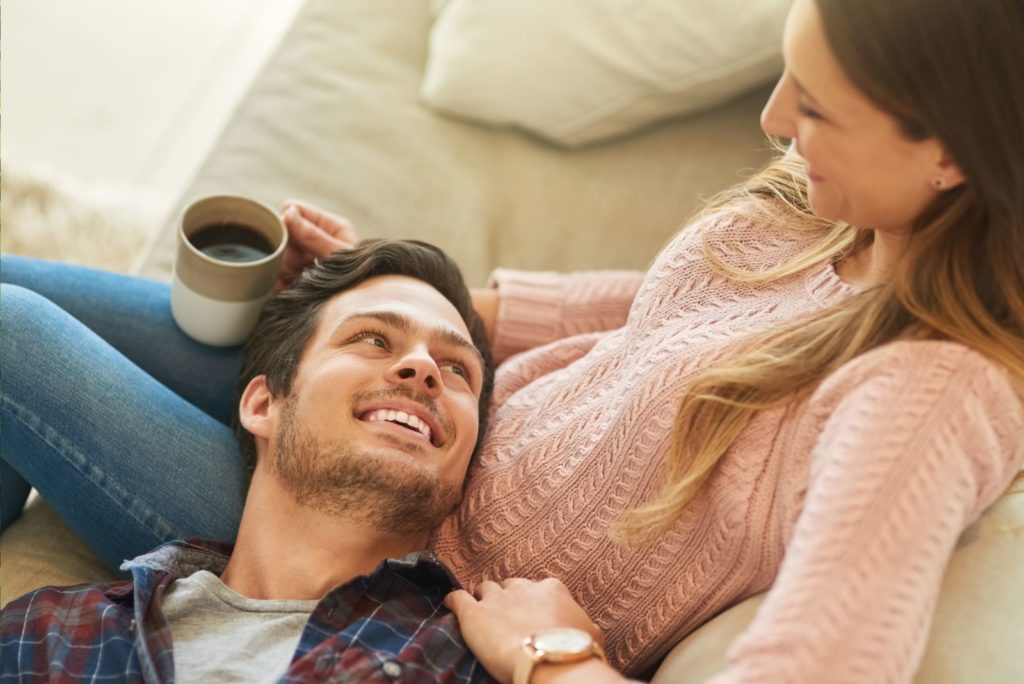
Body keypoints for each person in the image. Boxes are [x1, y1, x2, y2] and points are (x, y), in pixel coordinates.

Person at [2, 0, 1022, 681]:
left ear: (947, 153)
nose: (772, 118)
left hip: (385, 547)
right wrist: (413, 304)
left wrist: (561, 654)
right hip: (437, 409)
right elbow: (669, 309)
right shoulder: (837, 214)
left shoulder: (928, 397)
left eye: (816, 107)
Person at [0, 240, 501, 682]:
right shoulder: (47, 632)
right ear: (264, 405)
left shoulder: (480, 660)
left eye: (459, 369)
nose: (427, 369)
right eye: (372, 338)